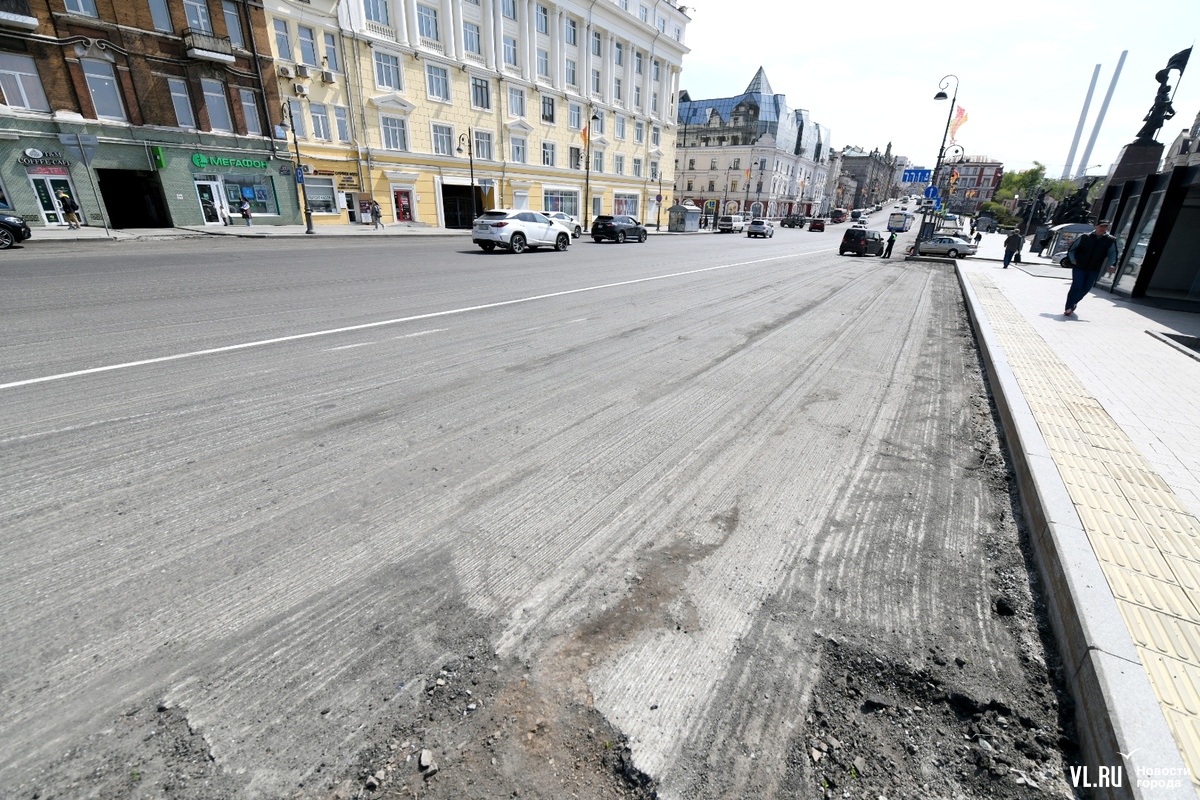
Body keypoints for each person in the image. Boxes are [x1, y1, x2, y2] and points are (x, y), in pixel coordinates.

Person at [1062, 220, 1119, 316]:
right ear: (1096, 226)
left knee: (1086, 288)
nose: (1102, 228)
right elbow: (1072, 249)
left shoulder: (1110, 240)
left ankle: (1075, 301)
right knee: (1077, 285)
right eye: (1101, 226)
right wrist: (1072, 260)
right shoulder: (1085, 237)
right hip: (1079, 266)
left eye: (1105, 227)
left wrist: (1112, 264)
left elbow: (1113, 254)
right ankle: (1069, 307)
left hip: (1094, 267)